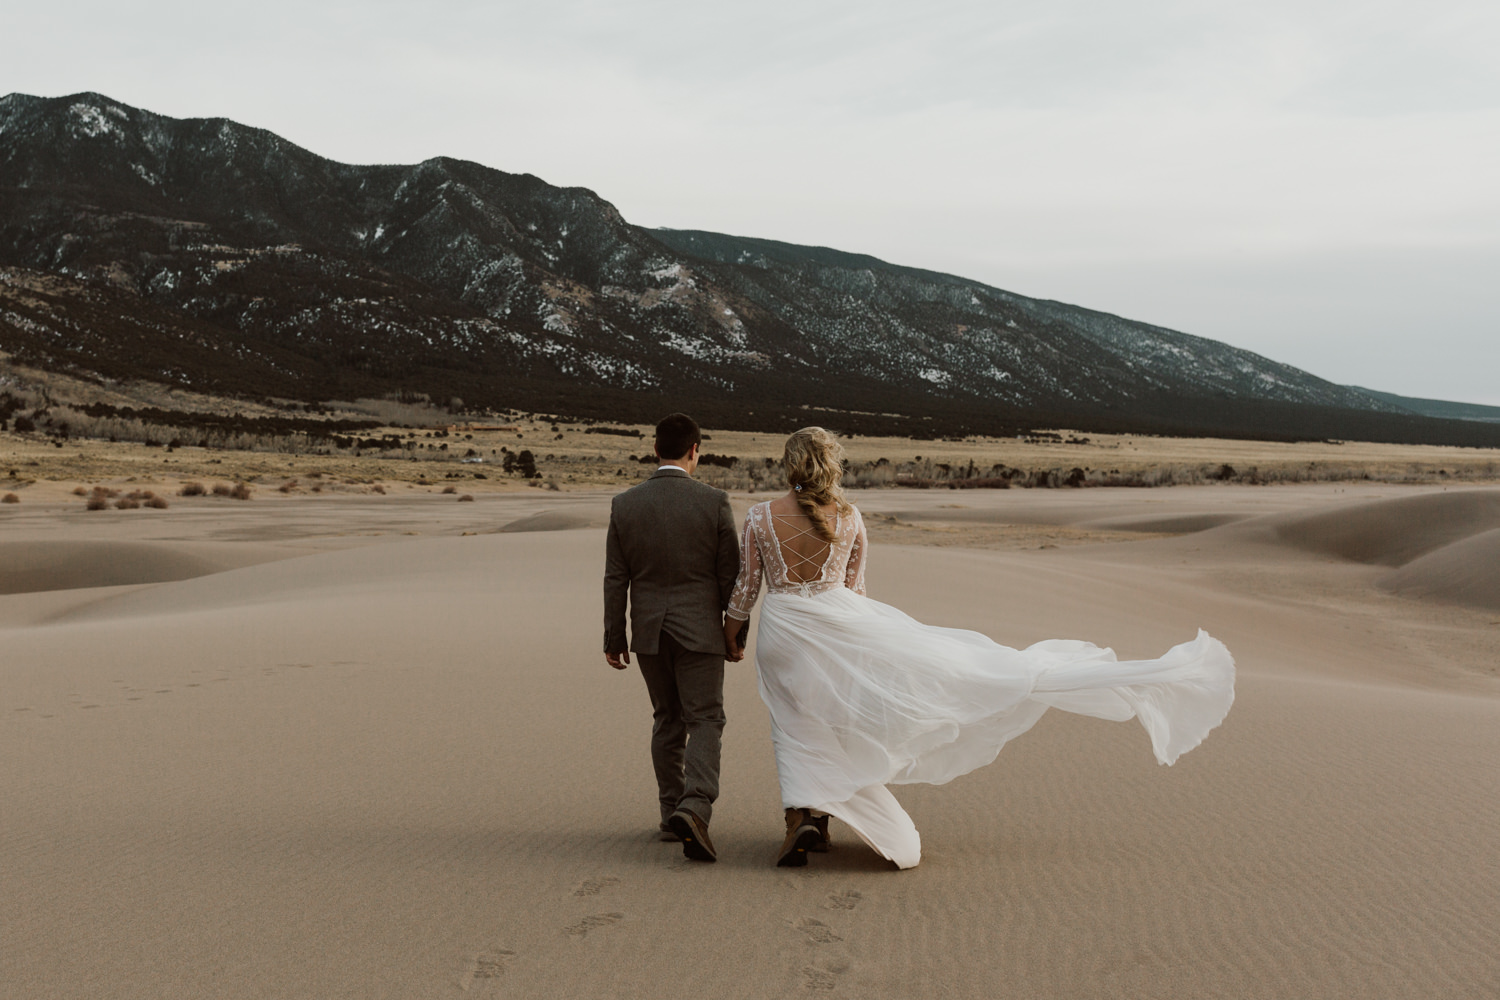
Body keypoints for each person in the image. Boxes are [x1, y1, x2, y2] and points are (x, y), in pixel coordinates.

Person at [723, 427, 1235, 869]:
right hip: (841, 634)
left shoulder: (761, 516)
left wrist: (732, 635)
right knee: (837, 720)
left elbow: (747, 589)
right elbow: (856, 593)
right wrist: (869, 642)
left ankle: (804, 816)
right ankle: (816, 814)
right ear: (831, 464)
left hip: (785, 635)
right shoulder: (852, 518)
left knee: (794, 724)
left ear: (788, 464)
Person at [604, 412, 742, 862]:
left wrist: (614, 636)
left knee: (667, 719)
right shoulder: (714, 502)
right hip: (700, 631)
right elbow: (731, 578)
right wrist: (734, 633)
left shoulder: (625, 504)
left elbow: (615, 577)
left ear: (655, 449)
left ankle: (670, 815)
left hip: (647, 632)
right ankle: (695, 807)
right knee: (705, 719)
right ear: (695, 450)